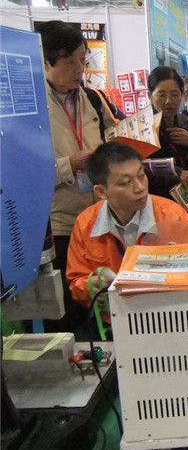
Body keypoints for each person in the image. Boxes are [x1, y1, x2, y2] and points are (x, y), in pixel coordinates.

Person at [38, 20, 117, 333]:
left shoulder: (93, 99)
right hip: (60, 226)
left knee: (103, 310)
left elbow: (113, 137)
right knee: (66, 317)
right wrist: (68, 165)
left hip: (99, 223)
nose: (79, 69)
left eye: (82, 60)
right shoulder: (30, 108)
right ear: (46, 62)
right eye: (69, 62)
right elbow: (20, 177)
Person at [66, 142, 188, 310]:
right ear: (101, 192)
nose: (140, 188)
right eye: (126, 182)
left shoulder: (174, 217)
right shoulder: (85, 224)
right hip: (113, 318)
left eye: (141, 176)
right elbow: (76, 281)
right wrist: (91, 288)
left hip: (166, 314)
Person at [146, 67, 188, 204]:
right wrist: (176, 173)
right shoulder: (142, 129)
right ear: (150, 96)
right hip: (158, 203)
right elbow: (139, 171)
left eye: (174, 94)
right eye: (161, 95)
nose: (169, 101)